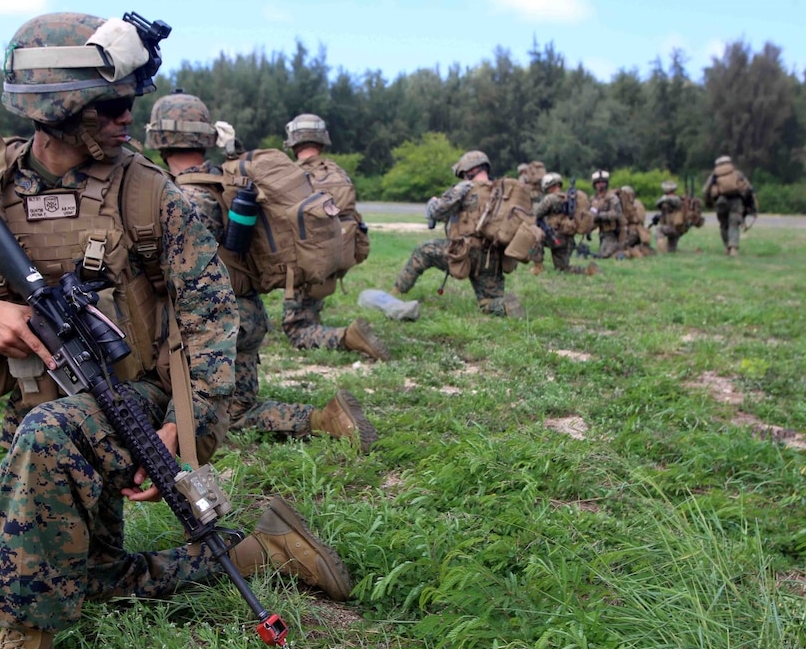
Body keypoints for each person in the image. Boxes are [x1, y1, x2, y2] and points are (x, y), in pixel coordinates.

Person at [0, 13, 352, 649]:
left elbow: (211, 315)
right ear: (57, 107)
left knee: (48, 438)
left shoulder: (151, 195)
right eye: (112, 105)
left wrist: (189, 428)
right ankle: (261, 548)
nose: (128, 118)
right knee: (87, 578)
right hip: (36, 403)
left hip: (131, 401)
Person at [146, 93, 377, 451]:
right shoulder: (231, 183)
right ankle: (326, 419)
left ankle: (323, 420)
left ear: (158, 140)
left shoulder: (180, 198)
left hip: (211, 327)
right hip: (249, 315)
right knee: (241, 407)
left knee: (197, 409)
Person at [282, 113, 389, 361]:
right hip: (338, 256)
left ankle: (347, 337)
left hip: (305, 262)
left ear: (293, 141)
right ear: (321, 141)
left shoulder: (291, 176)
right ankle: (313, 316)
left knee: (295, 330)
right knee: (309, 303)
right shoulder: (339, 174)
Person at [391, 150, 524, 317]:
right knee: (487, 303)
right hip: (493, 257)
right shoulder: (501, 192)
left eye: (463, 174)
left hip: (465, 253)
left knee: (423, 251)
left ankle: (396, 292)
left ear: (470, 171)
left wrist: (432, 203)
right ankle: (504, 306)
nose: (462, 178)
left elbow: (437, 212)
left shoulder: (464, 188)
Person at [530, 172, 597, 275]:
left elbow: (537, 213)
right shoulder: (569, 198)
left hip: (553, 237)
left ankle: (538, 266)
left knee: (535, 236)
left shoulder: (550, 198)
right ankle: (587, 271)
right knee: (562, 269)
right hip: (568, 241)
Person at [703, 155, 756, 256]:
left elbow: (705, 191)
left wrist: (708, 202)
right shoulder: (737, 173)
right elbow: (748, 188)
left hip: (720, 202)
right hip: (736, 202)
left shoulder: (714, 176)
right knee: (734, 224)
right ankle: (733, 248)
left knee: (724, 225)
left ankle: (727, 246)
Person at [587, 170, 624, 259]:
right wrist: (588, 229)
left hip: (613, 232)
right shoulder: (594, 199)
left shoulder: (612, 197)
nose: (600, 185)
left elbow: (616, 213)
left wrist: (600, 216)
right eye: (598, 182)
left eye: (603, 182)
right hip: (602, 232)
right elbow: (591, 215)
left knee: (605, 255)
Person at [617, 185, 655, 257]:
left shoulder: (636, 204)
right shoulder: (623, 204)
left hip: (635, 230)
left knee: (623, 245)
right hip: (627, 229)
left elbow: (640, 219)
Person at [653, 180, 686, 252]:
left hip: (673, 227)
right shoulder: (675, 199)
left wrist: (664, 198)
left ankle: (661, 251)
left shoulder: (675, 199)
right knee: (671, 250)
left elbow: (658, 203)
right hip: (675, 228)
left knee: (658, 230)